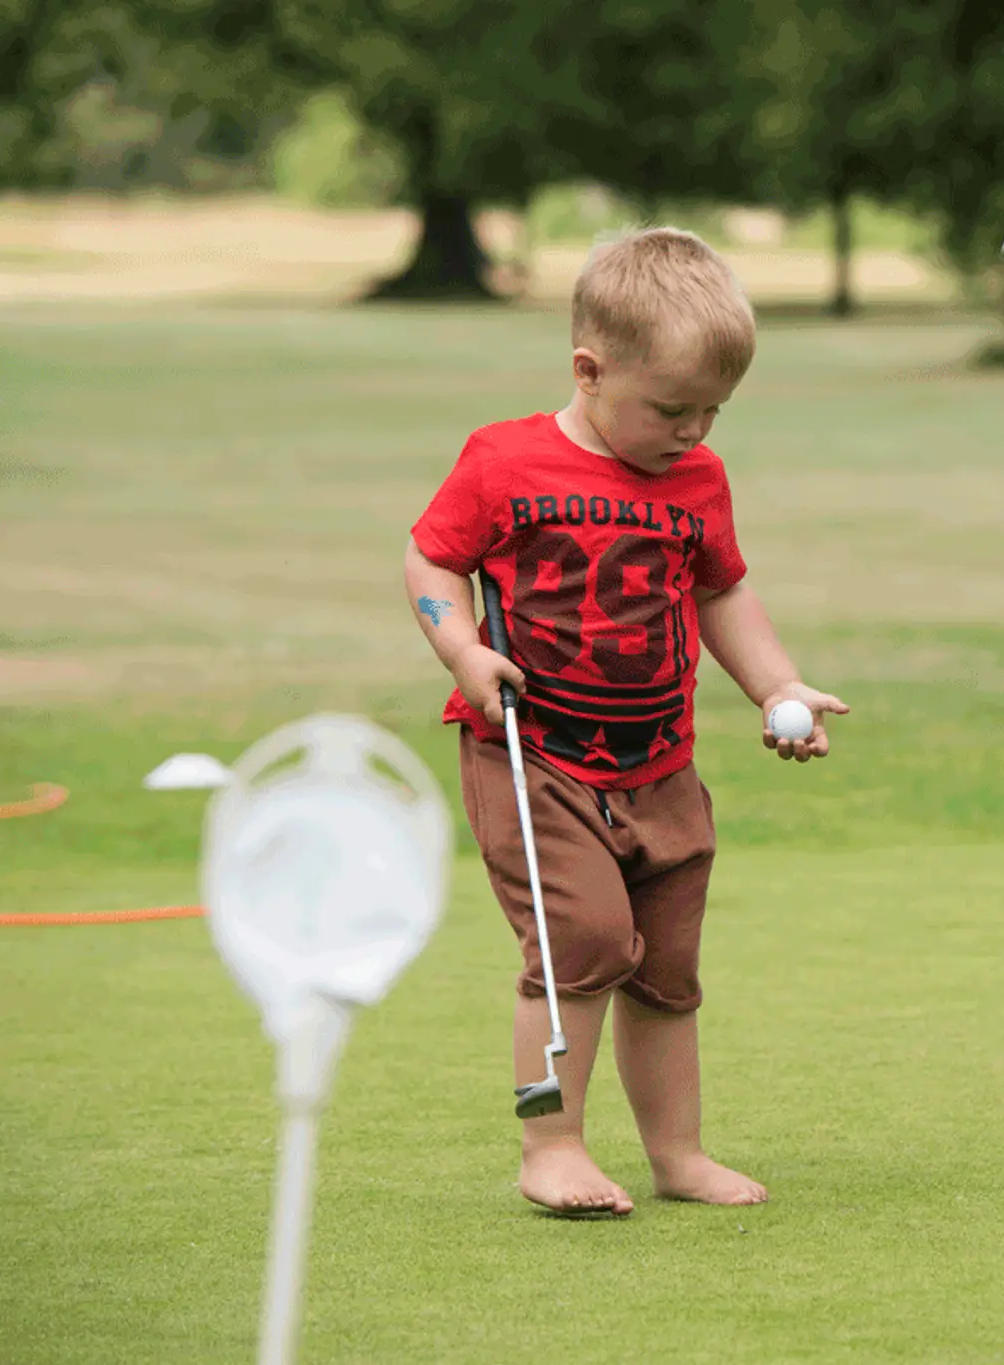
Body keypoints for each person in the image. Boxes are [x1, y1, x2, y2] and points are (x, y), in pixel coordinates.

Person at [404, 228, 846, 1214]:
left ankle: (676, 1156)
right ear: (589, 371)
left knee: (667, 970)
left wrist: (779, 687)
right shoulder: (503, 462)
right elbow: (430, 559)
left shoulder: (697, 480)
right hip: (534, 756)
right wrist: (463, 652)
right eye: (670, 408)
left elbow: (722, 593)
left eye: (711, 411)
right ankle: (550, 1147)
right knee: (584, 940)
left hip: (660, 767)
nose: (692, 431)